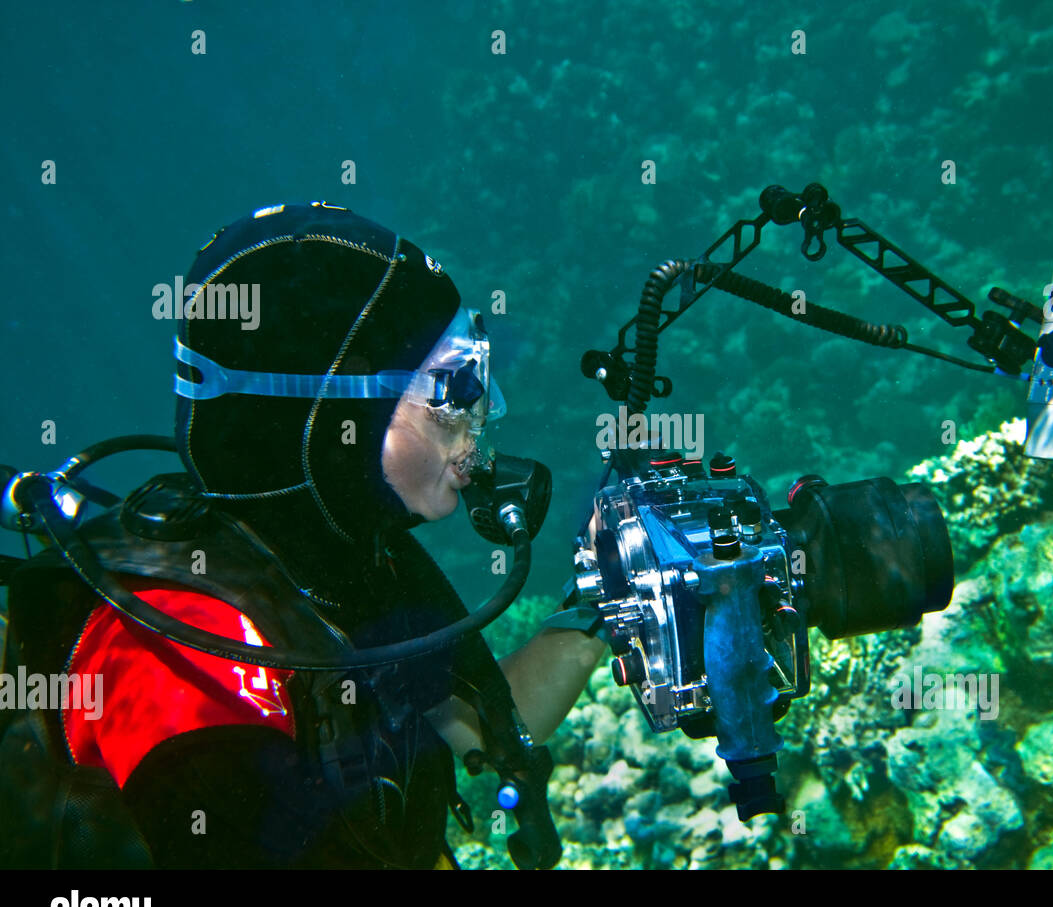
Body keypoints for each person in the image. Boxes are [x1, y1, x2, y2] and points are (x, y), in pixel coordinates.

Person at [4, 202, 607, 868]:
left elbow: (481, 730)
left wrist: (606, 602)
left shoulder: (349, 563)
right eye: (451, 389)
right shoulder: (176, 657)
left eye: (479, 376)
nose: (484, 415)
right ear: (331, 415)